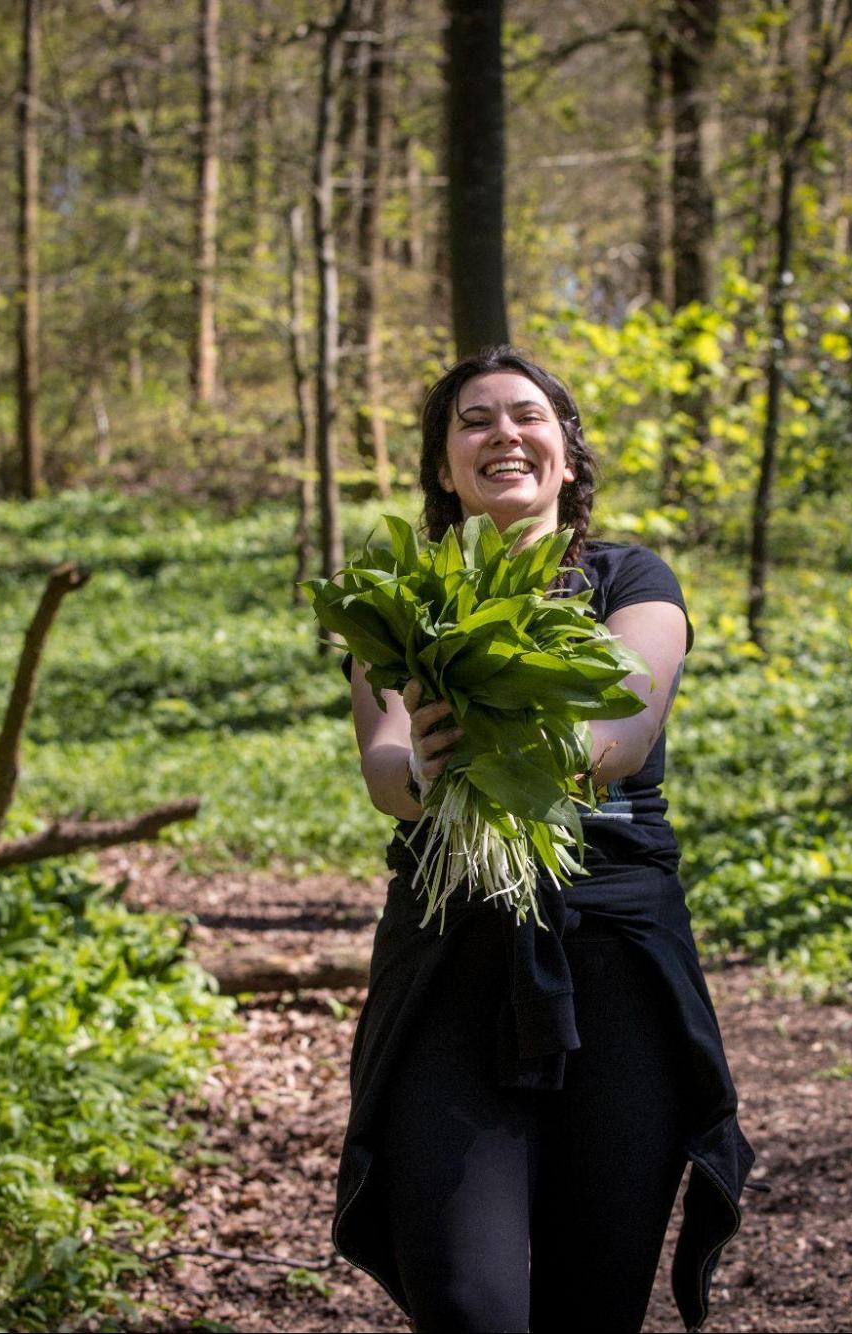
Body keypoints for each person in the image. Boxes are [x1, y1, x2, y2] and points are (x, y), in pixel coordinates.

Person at [329, 346, 759, 1333]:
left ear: (565, 451)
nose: (501, 433)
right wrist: (428, 772)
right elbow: (387, 762)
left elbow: (619, 731)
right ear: (444, 466)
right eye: (472, 419)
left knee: (592, 1308)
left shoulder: (631, 578)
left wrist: (519, 739)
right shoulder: (395, 598)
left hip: (614, 957)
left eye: (526, 414)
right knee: (469, 1306)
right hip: (450, 957)